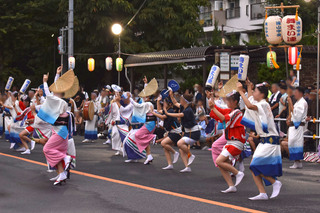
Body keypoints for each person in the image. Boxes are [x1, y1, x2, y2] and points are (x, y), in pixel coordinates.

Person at [238, 81, 282, 200]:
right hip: (265, 140)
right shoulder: (261, 103)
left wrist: (241, 92)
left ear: (262, 94)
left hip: (270, 141)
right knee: (254, 166)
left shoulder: (263, 104)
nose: (253, 94)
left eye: (255, 91)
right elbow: (250, 100)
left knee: (255, 165)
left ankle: (274, 182)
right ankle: (262, 193)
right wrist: (248, 86)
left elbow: (249, 105)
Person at [38, 67, 74, 185]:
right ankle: (61, 174)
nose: (53, 91)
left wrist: (45, 81)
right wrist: (57, 75)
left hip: (59, 132)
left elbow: (48, 93)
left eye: (55, 90)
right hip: (60, 131)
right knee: (56, 152)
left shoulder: (58, 101)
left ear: (59, 92)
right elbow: (52, 93)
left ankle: (66, 159)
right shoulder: (63, 102)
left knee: (47, 149)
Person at [208, 91, 245, 193]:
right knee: (221, 163)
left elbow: (223, 118)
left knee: (219, 161)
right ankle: (231, 186)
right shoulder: (230, 111)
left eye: (229, 100)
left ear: (235, 102)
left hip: (236, 142)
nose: (227, 101)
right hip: (230, 142)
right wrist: (211, 99)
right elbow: (217, 111)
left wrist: (212, 107)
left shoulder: (237, 112)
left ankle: (238, 173)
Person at [164, 91, 200, 173]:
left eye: (181, 99)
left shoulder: (188, 110)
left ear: (184, 101)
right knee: (181, 149)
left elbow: (179, 115)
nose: (180, 100)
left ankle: (191, 155)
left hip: (193, 132)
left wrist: (167, 113)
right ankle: (187, 167)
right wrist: (171, 95)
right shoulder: (184, 107)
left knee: (179, 143)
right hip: (188, 132)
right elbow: (175, 103)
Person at [151, 96, 181, 170]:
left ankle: (175, 153)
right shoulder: (166, 110)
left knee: (163, 143)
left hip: (176, 132)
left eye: (164, 103)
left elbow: (162, 117)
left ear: (169, 104)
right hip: (171, 131)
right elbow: (159, 110)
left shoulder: (170, 111)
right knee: (165, 146)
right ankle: (170, 164)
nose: (163, 104)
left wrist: (152, 113)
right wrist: (158, 101)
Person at [283, 87, 308, 169]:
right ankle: (296, 161)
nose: (294, 94)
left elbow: (297, 116)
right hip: (294, 126)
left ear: (300, 93)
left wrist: (290, 103)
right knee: (292, 143)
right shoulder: (298, 102)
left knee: (295, 143)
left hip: (298, 126)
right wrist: (289, 118)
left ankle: (298, 161)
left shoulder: (302, 103)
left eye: (296, 92)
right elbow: (293, 114)